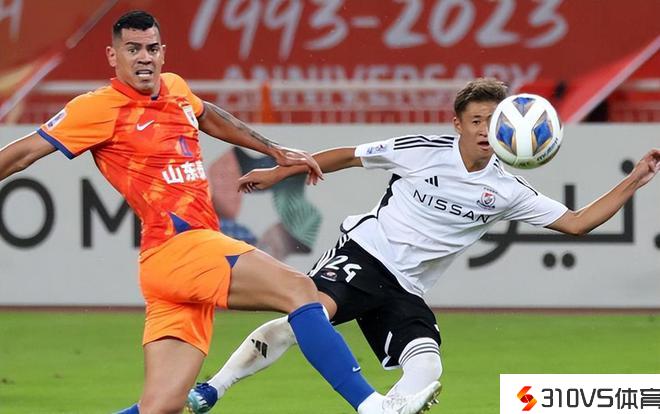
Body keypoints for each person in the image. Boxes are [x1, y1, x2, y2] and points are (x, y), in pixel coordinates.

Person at [0, 10, 441, 414]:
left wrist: (272, 149)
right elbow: (23, 154)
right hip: (179, 246)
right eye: (132, 49)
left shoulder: (175, 88)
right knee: (300, 291)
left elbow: (208, 115)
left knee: (161, 407)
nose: (144, 58)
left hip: (171, 268)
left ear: (163, 52)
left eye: (151, 48)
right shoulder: (96, 107)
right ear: (112, 56)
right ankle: (373, 406)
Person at [186, 78, 660, 413]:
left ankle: (390, 408)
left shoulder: (508, 190)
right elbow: (349, 156)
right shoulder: (423, 151)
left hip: (407, 288)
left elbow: (576, 223)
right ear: (457, 124)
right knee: (307, 315)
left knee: (427, 365)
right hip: (365, 254)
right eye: (475, 120)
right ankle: (214, 388)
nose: (484, 129)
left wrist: (636, 179)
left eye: (492, 121)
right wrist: (278, 171)